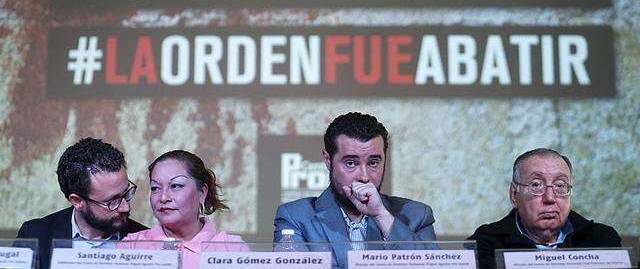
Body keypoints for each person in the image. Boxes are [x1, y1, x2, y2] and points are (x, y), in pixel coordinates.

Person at [274, 112, 436, 268]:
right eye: (351, 163)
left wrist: (381, 216)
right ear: (328, 161)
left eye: (373, 163)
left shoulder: (416, 216)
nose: (364, 177)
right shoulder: (296, 217)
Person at [468, 148, 622, 269]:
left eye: (560, 186)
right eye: (536, 185)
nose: (550, 198)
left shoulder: (602, 239)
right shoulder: (486, 243)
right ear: (514, 194)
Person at [16, 137, 147, 269]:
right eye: (112, 201)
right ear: (77, 201)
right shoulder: (36, 236)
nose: (125, 207)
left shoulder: (147, 241)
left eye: (126, 193)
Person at [124, 150, 246, 269]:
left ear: (202, 192)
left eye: (176, 186)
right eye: (155, 188)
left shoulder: (231, 248)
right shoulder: (132, 245)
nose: (163, 197)